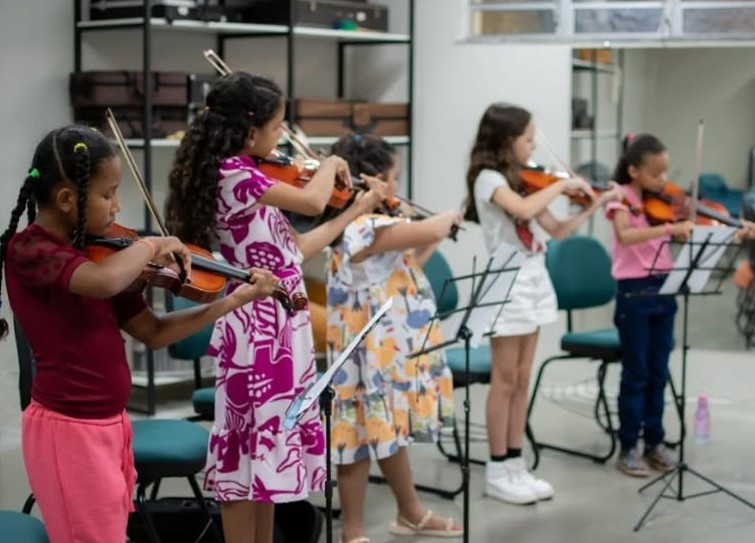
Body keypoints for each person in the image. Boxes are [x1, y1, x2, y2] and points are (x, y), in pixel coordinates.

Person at [0, 125, 280, 543]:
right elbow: (101, 282)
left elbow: (152, 331)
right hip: (69, 431)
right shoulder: (31, 251)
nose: (117, 207)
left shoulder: (100, 252)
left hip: (111, 423)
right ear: (65, 199)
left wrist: (230, 302)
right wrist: (151, 245)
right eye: (108, 194)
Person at [164, 71, 387, 543]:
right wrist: (329, 161)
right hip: (257, 328)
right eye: (277, 126)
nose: (281, 136)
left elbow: (297, 250)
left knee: (266, 458)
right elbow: (311, 198)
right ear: (248, 132)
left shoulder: (255, 176)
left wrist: (355, 211)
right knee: (248, 451)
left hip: (285, 325)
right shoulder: (235, 174)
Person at [463, 103, 622, 504]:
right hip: (506, 285)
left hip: (533, 279)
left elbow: (557, 229)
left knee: (522, 378)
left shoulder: (524, 180)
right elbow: (521, 211)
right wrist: (562, 185)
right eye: (528, 138)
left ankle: (516, 464)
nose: (533, 146)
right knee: (504, 380)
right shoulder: (490, 179)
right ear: (505, 140)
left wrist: (595, 203)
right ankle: (497, 469)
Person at [325, 133, 463, 542]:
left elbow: (410, 256)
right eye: (394, 178)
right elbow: (416, 232)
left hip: (387, 356)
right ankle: (353, 531)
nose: (398, 188)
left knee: (385, 432)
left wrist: (434, 232)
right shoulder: (359, 226)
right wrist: (442, 220)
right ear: (373, 180)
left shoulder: (379, 226)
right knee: (356, 436)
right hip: (363, 356)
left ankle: (410, 511)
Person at [605, 134, 755, 476]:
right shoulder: (622, 198)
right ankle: (628, 446)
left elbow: (703, 229)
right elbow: (625, 236)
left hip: (665, 287)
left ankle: (654, 443)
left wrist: (736, 231)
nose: (664, 181)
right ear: (633, 170)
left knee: (659, 372)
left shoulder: (665, 205)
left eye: (665, 173)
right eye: (656, 174)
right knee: (636, 374)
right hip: (633, 290)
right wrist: (670, 229)